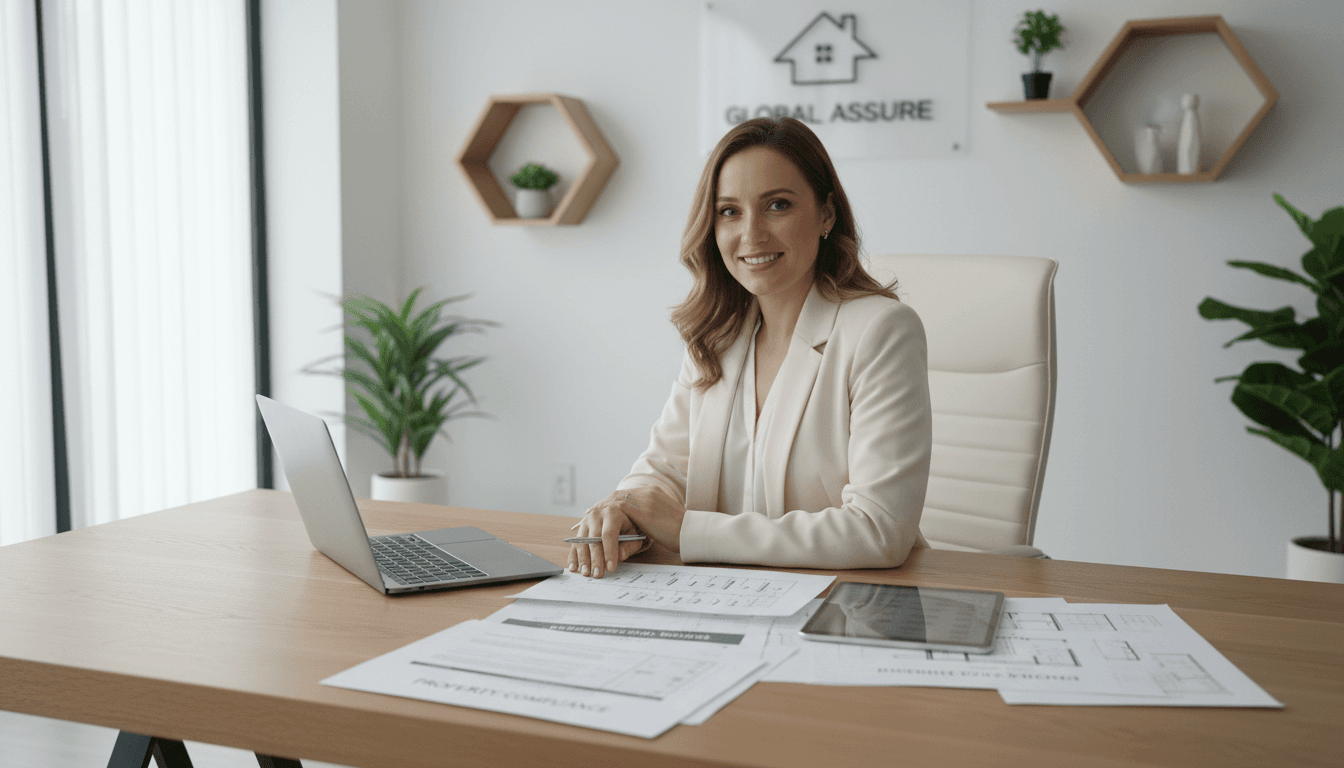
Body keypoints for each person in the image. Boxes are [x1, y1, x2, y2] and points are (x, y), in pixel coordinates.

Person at [569, 116, 932, 578]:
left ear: (826, 213)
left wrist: (686, 532)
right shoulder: (717, 334)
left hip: (852, 602)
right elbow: (664, 470)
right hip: (732, 598)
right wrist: (625, 507)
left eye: (777, 205)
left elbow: (879, 531)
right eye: (729, 211)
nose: (752, 234)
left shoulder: (881, 330)